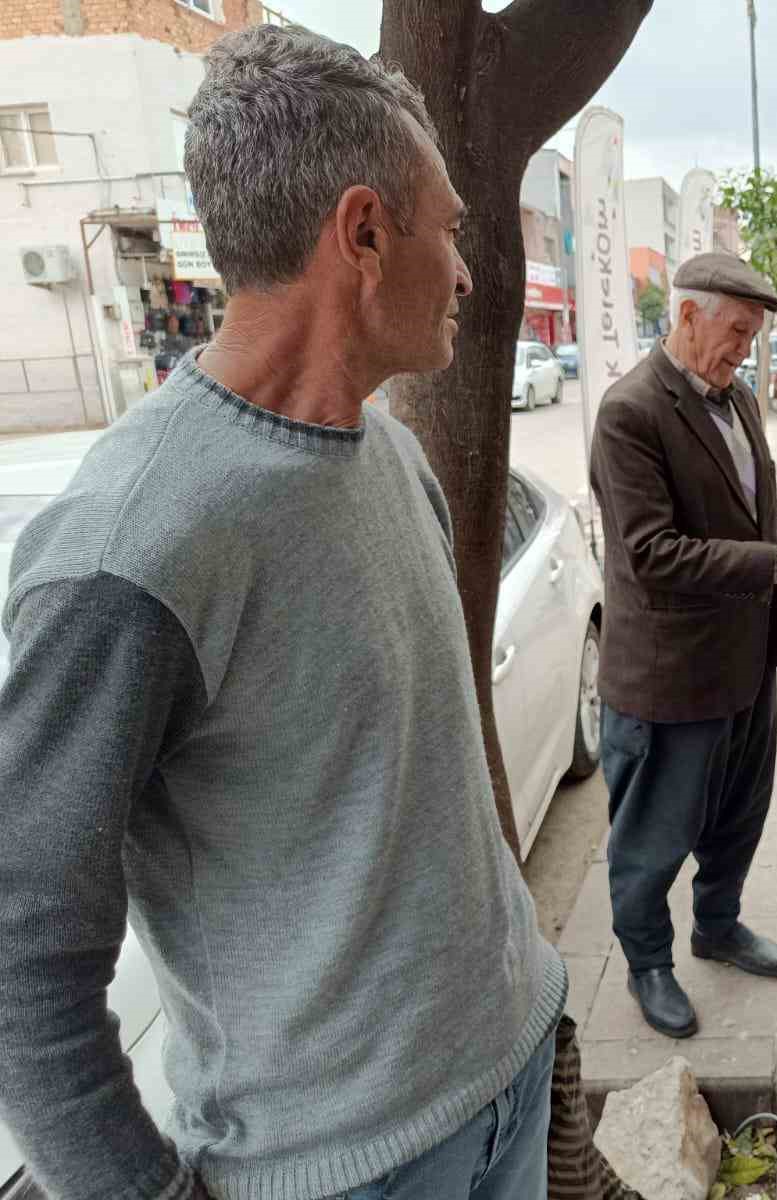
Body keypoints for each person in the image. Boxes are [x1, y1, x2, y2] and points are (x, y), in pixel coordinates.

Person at [0, 26, 567, 1200]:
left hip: (500, 1093)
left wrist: (533, 993)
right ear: (362, 233)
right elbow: (21, 948)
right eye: (450, 229)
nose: (466, 271)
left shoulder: (386, 449)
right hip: (345, 1172)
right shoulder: (132, 550)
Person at [588, 252, 777, 1040]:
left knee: (739, 816)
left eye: (753, 334)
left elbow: (763, 515)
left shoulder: (738, 399)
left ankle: (718, 925)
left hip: (744, 663)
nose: (744, 349)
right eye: (736, 331)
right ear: (687, 316)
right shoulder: (630, 412)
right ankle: (647, 963)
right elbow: (651, 554)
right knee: (652, 839)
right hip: (668, 678)